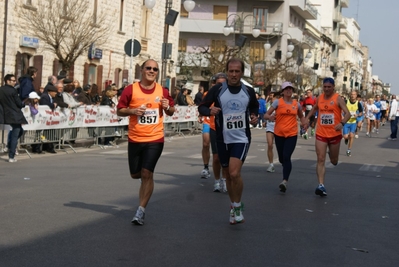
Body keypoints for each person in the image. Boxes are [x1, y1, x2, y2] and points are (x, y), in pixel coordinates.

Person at [198, 58, 259, 225]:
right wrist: (210, 110)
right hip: (223, 137)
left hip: (241, 137)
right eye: (230, 71)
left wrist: (254, 116)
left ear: (241, 73)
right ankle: (233, 205)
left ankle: (238, 207)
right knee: (228, 175)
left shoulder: (248, 91)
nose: (233, 74)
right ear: (227, 72)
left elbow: (254, 107)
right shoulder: (218, 89)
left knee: (234, 173)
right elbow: (201, 107)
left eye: (236, 71)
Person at [117, 59, 175, 226]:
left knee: (147, 173)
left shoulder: (162, 90)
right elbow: (119, 111)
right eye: (148, 68)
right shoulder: (130, 90)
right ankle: (144, 180)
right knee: (136, 174)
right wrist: (133, 111)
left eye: (155, 69)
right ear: (142, 70)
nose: (151, 71)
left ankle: (140, 210)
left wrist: (166, 106)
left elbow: (171, 111)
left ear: (157, 72)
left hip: (155, 138)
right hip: (135, 138)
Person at [304, 77, 350, 197]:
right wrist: (306, 119)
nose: (327, 89)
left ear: (333, 87)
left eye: (329, 87)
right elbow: (314, 109)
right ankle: (321, 185)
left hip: (334, 134)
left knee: (334, 161)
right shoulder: (319, 98)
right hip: (321, 133)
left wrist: (342, 123)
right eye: (325, 87)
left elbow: (348, 113)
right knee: (320, 159)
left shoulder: (337, 98)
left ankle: (332, 154)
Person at [264, 82, 306, 192]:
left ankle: (284, 181)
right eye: (286, 89)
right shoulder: (278, 102)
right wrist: (270, 117)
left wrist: (304, 124)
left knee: (287, 156)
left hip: (291, 134)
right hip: (279, 134)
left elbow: (301, 116)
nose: (289, 91)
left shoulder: (296, 104)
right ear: (282, 91)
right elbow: (266, 115)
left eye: (290, 89)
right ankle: (285, 167)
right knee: (282, 158)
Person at [199, 73, 228, 193]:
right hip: (211, 124)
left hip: (227, 128)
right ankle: (216, 180)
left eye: (223, 83)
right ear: (214, 84)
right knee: (215, 156)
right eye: (218, 83)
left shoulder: (230, 94)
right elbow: (203, 106)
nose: (220, 86)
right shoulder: (209, 94)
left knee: (225, 158)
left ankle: (224, 180)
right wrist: (206, 112)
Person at [0, 74, 28, 162]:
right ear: (8, 81)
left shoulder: (1, 89)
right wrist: (24, 103)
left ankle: (9, 145)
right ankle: (11, 156)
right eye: (13, 80)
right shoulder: (13, 91)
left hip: (6, 114)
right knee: (15, 135)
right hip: (15, 115)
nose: (14, 82)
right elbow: (19, 103)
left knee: (20, 131)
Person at [342, 90, 363, 157]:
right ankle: (346, 139)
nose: (352, 95)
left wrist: (358, 115)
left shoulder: (358, 103)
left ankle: (349, 150)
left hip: (353, 122)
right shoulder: (346, 102)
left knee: (351, 135)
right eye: (351, 94)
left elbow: (361, 112)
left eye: (354, 94)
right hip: (346, 122)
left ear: (356, 96)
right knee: (345, 136)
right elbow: (341, 109)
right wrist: (342, 115)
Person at [39, 84, 58, 154]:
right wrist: (52, 105)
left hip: (50, 119)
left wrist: (55, 104)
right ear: (50, 92)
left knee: (50, 133)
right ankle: (38, 147)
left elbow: (56, 103)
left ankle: (49, 147)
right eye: (54, 92)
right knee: (42, 134)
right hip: (44, 118)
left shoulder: (52, 98)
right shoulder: (45, 96)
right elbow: (44, 104)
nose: (55, 93)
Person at [265, 93, 279, 173]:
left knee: (280, 146)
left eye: (272, 96)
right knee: (270, 145)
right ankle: (271, 165)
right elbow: (265, 114)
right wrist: (265, 120)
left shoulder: (279, 104)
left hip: (278, 126)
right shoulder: (267, 104)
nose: (270, 97)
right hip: (269, 126)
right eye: (269, 95)